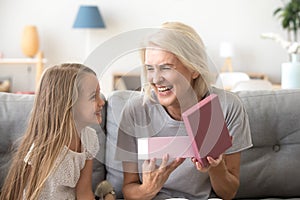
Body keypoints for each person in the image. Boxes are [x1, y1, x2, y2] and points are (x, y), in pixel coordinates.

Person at [115, 22, 252, 200]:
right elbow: (129, 190)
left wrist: (216, 167)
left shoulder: (226, 106)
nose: (155, 79)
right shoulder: (135, 111)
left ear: (194, 68)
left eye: (166, 67)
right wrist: (149, 188)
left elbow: (228, 193)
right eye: (150, 68)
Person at [0, 63, 105, 200]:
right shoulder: (41, 149)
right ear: (68, 103)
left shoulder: (89, 139)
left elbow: (84, 192)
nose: (101, 102)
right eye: (93, 96)